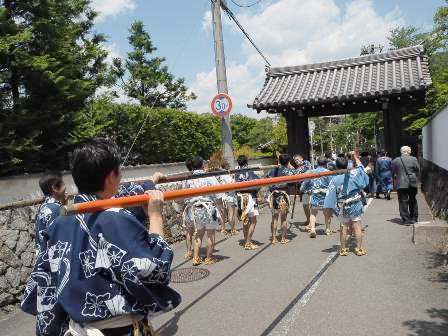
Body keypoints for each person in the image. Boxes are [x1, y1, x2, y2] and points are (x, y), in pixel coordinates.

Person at [21, 137, 180, 336]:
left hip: (77, 326)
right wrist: (155, 216)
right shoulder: (115, 219)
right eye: (119, 172)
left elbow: (44, 279)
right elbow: (155, 269)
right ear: (110, 177)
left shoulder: (58, 224)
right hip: (117, 330)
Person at [324, 151, 369, 256]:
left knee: (344, 226)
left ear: (336, 166)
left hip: (342, 205)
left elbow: (330, 196)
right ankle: (359, 249)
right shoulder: (355, 174)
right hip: (355, 203)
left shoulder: (334, 179)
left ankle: (343, 249)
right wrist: (354, 157)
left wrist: (328, 209)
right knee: (357, 226)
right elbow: (361, 168)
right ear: (347, 165)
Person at [183, 156, 221, 265]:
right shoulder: (208, 177)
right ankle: (208, 258)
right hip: (208, 207)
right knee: (210, 234)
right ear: (202, 164)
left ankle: (196, 257)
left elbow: (185, 197)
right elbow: (218, 192)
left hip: (195, 209)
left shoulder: (188, 179)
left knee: (198, 234)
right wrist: (219, 205)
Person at [267, 154, 296, 245]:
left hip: (273, 195)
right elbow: (295, 179)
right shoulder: (289, 171)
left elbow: (267, 179)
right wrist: (291, 167)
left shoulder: (272, 170)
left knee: (274, 218)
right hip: (283, 195)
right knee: (283, 219)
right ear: (288, 162)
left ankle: (273, 238)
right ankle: (283, 238)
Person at [300, 157, 333, 237]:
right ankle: (327, 229)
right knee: (327, 213)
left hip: (315, 194)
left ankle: (313, 229)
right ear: (326, 164)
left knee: (313, 213)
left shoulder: (311, 172)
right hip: (325, 195)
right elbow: (332, 184)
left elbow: (305, 183)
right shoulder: (328, 172)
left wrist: (302, 189)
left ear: (317, 163)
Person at [35, 172, 66, 252]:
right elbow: (58, 236)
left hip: (42, 254)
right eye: (63, 184)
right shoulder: (55, 209)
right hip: (51, 257)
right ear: (55, 188)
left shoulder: (44, 206)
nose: (65, 188)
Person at [234, 155, 260, 250]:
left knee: (245, 221)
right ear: (246, 161)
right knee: (253, 221)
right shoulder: (250, 171)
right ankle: (248, 242)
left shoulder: (236, 173)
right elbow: (257, 183)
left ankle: (246, 241)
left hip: (240, 197)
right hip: (249, 196)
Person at [391, 146, 420, 224]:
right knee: (413, 200)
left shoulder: (395, 161)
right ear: (409, 152)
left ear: (401, 152)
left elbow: (393, 172)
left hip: (401, 183)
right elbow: (417, 170)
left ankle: (406, 219)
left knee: (403, 201)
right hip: (412, 182)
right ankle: (414, 218)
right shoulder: (414, 159)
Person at [216, 160, 237, 236]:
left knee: (222, 213)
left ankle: (223, 229)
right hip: (229, 195)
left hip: (221, 195)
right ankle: (233, 230)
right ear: (226, 167)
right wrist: (232, 177)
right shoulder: (227, 175)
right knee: (231, 213)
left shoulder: (218, 176)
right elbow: (232, 184)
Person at [293, 154, 312, 227]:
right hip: (303, 189)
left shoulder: (306, 163)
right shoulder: (297, 168)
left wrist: (296, 175)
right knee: (305, 205)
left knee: (308, 205)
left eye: (297, 159)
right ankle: (308, 219)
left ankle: (311, 221)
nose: (296, 161)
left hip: (309, 187)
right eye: (295, 160)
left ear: (301, 158)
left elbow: (308, 171)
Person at [182, 157, 195, 259]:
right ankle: (196, 252)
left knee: (189, 231)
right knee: (198, 231)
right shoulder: (199, 176)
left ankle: (189, 251)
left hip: (188, 206)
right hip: (197, 206)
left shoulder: (185, 178)